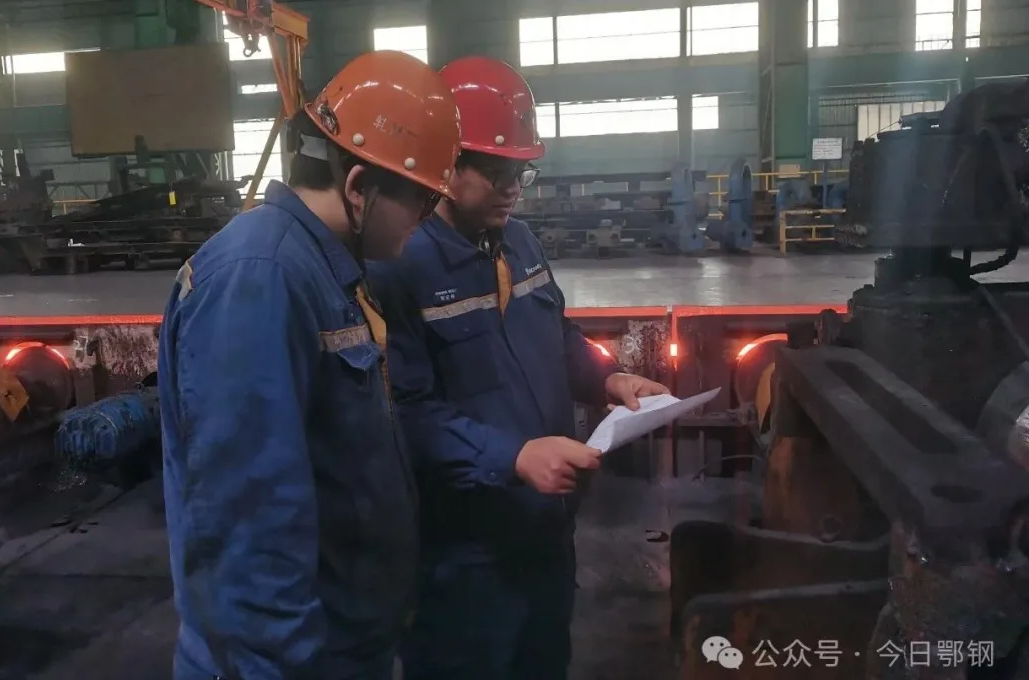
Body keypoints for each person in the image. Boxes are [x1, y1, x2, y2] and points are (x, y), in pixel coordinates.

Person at [156, 50, 461, 680]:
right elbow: (248, 527)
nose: (427, 221)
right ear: (359, 187)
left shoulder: (324, 269)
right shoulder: (260, 278)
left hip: (343, 645)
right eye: (423, 202)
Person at [368, 56, 672, 680]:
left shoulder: (521, 243)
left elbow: (559, 337)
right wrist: (512, 457)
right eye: (495, 170)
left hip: (546, 536)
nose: (512, 187)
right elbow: (404, 415)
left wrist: (607, 378)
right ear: (445, 164)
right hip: (463, 557)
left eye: (521, 172)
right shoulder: (401, 267)